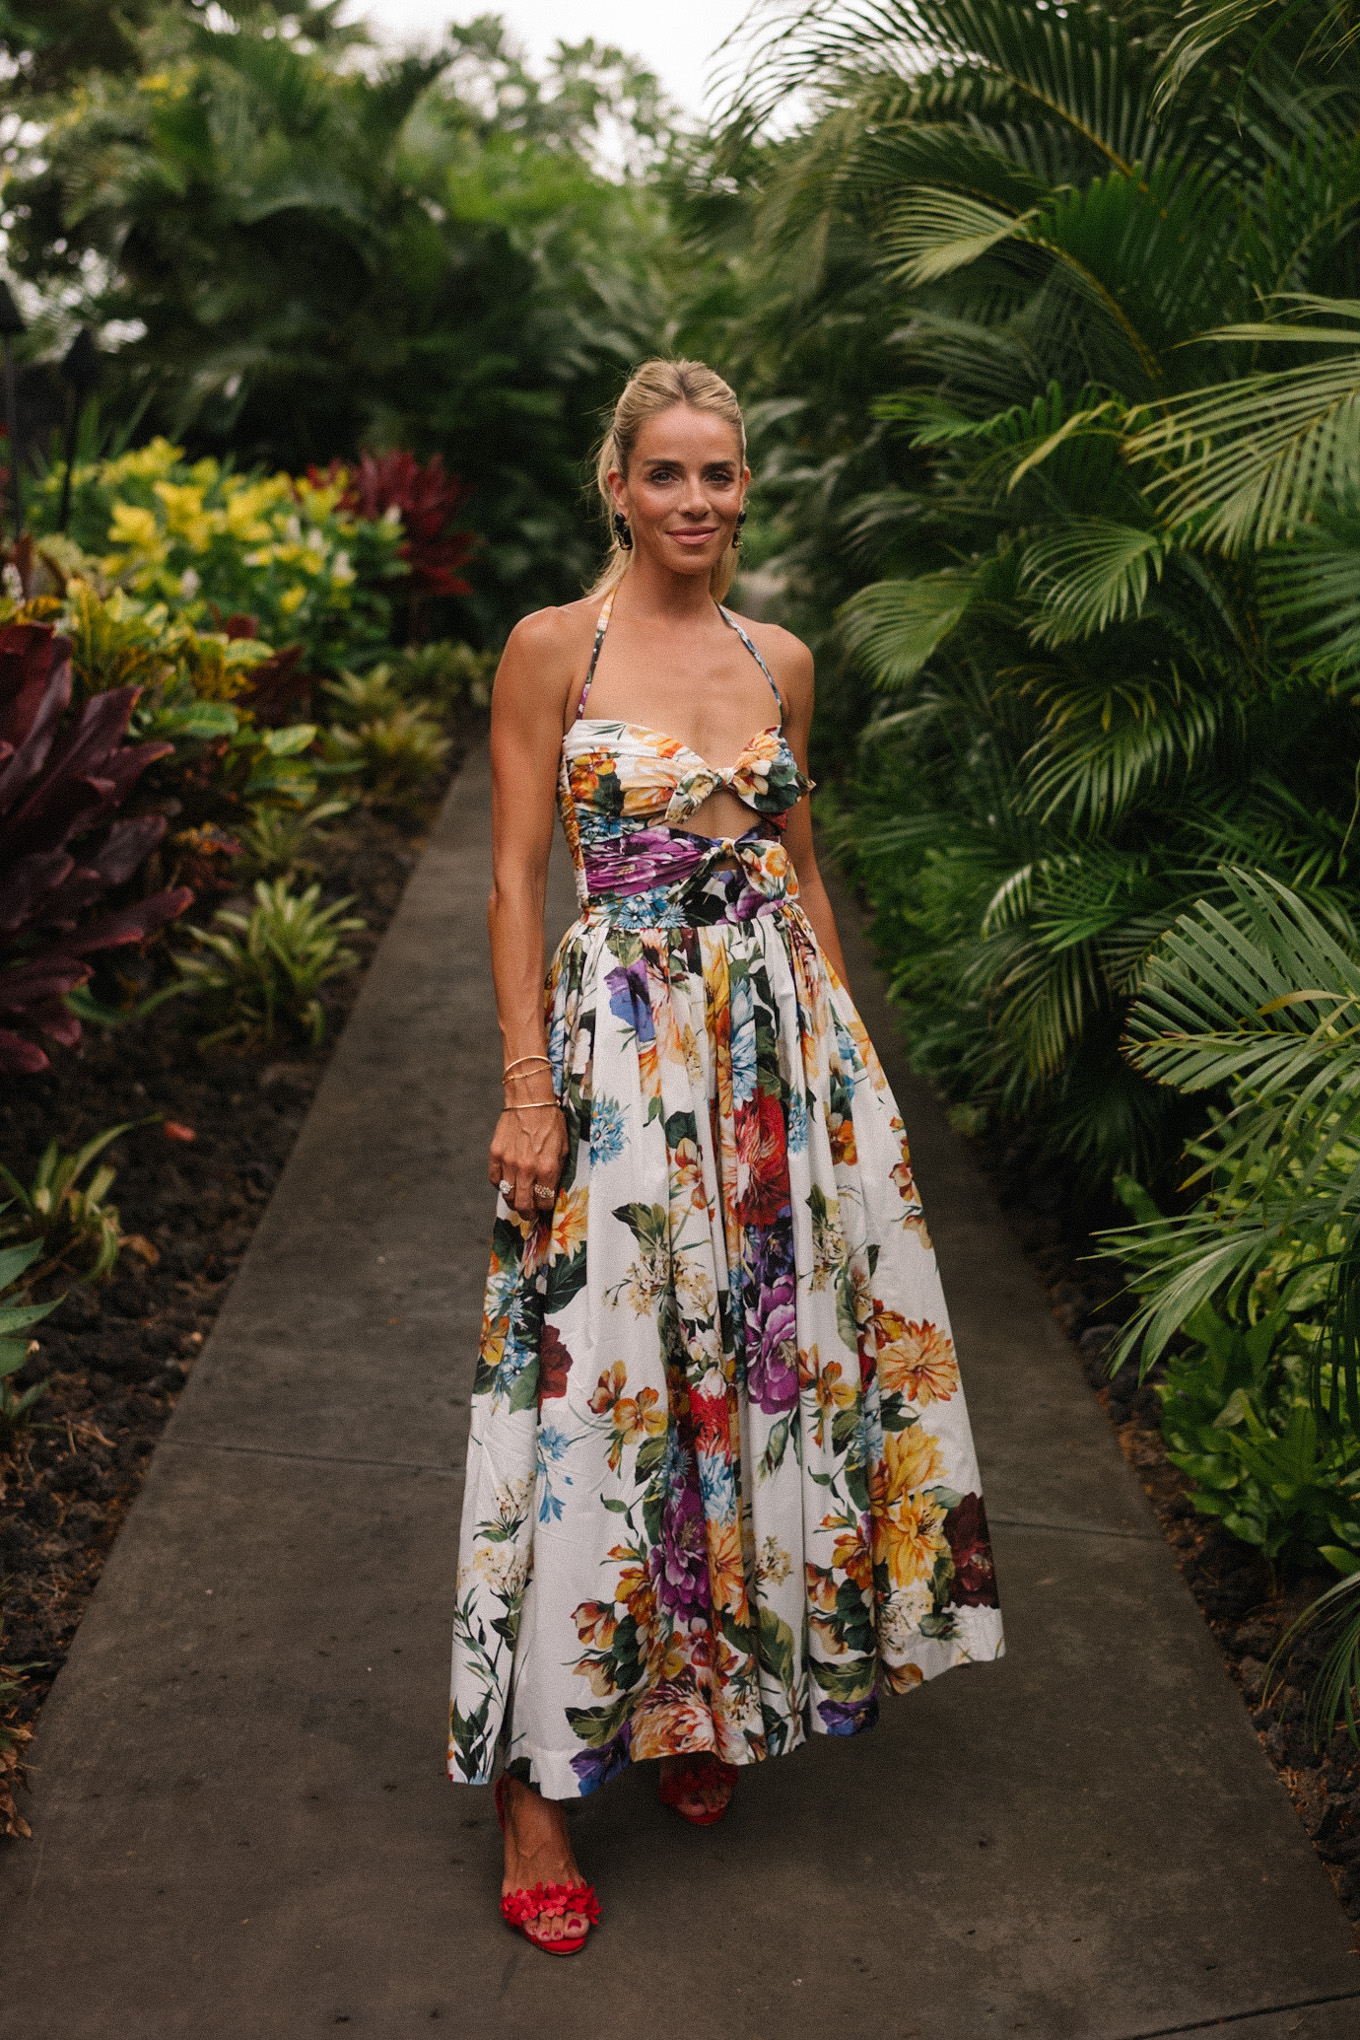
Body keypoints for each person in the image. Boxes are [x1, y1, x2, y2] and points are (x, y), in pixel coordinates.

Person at [449, 359, 1003, 1955]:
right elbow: (509, 878)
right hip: (616, 1063)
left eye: (724, 475)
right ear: (614, 483)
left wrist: (860, 1090)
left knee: (740, 1383)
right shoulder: (557, 648)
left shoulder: (784, 660)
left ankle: (692, 1704)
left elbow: (804, 874)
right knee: (591, 1392)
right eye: (668, 474)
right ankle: (534, 1786)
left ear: (744, 488)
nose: (699, 502)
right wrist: (524, 1094)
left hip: (778, 1066)